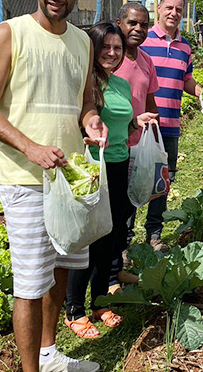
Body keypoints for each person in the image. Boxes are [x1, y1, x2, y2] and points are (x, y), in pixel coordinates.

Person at [0, 0, 104, 372]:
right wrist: (30, 147)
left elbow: (83, 102)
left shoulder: (83, 41)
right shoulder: (9, 34)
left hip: (72, 178)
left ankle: (49, 355)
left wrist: (93, 121)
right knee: (29, 284)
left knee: (62, 268)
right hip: (25, 178)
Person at [64, 22, 157, 339]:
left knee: (110, 234)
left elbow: (121, 122)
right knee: (88, 238)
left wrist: (136, 120)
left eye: (117, 48)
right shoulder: (84, 84)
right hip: (91, 169)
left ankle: (100, 302)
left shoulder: (117, 83)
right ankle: (74, 310)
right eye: (106, 47)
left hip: (118, 163)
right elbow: (77, 124)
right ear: (93, 48)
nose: (113, 53)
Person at [139, 0, 203, 250]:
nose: (174, 13)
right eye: (169, 7)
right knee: (136, 179)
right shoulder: (143, 40)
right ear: (159, 9)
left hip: (170, 127)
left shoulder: (185, 47)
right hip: (142, 127)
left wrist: (200, 91)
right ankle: (125, 240)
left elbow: (186, 80)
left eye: (178, 9)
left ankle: (154, 235)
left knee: (161, 183)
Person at [114, 2, 159, 278]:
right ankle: (112, 268)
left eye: (143, 24)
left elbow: (150, 101)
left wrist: (154, 136)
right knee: (113, 211)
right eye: (132, 23)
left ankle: (120, 263)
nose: (138, 29)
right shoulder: (110, 57)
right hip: (112, 146)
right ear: (120, 23)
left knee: (130, 204)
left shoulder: (145, 61)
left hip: (137, 146)